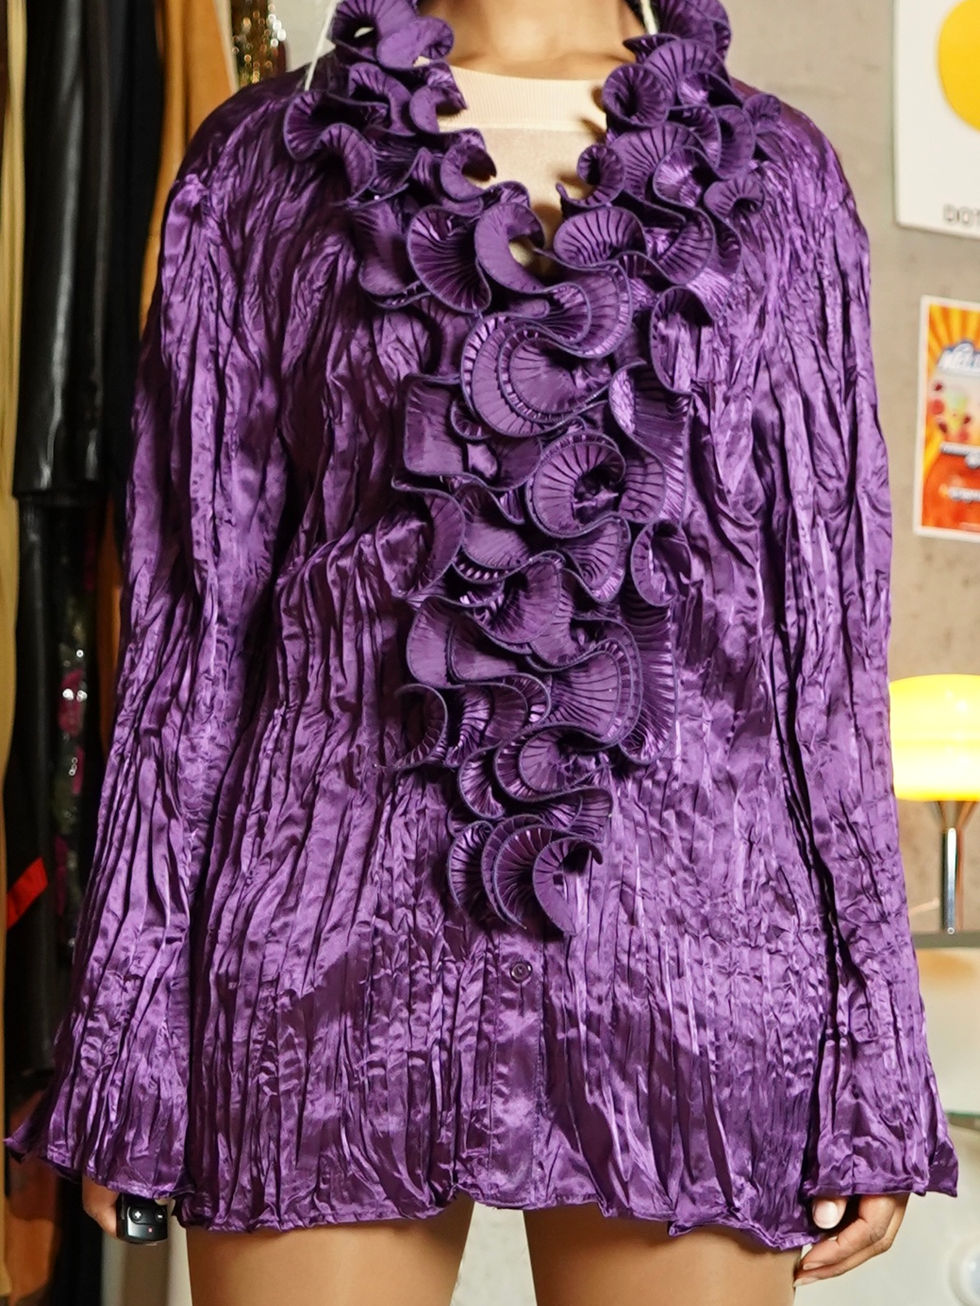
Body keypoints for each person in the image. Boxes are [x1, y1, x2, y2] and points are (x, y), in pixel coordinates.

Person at [6, 0, 957, 1302]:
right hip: (324, 950)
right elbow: (193, 631)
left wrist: (874, 1051)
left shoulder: (776, 174)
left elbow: (827, 645)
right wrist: (129, 1028)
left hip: (697, 957)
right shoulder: (266, 159)